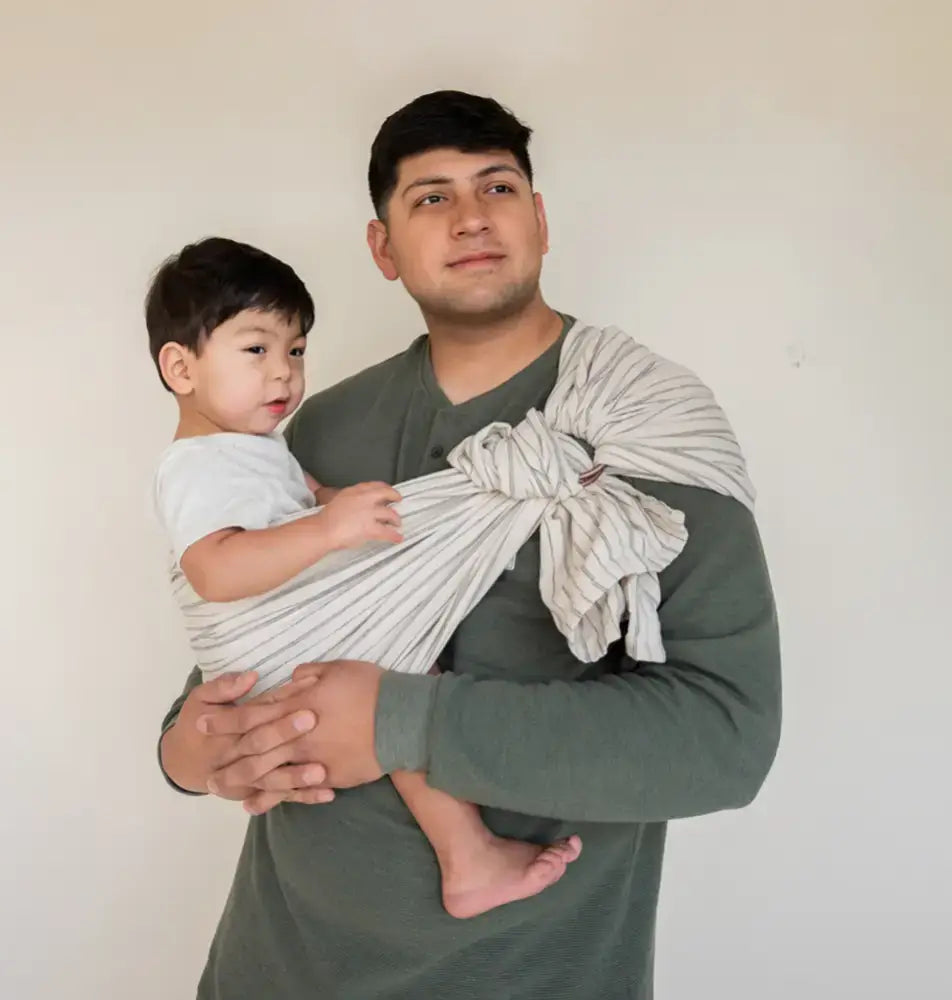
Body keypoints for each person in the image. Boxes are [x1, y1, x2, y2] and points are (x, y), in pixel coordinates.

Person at [158, 90, 781, 999]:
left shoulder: (643, 428)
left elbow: (727, 738)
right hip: (273, 966)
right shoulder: (313, 429)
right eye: (431, 197)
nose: (472, 217)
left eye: (496, 186)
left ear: (537, 218)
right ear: (383, 247)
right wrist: (187, 749)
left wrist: (399, 720)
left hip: (527, 974)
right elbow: (254, 624)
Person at [147, 236, 583, 919]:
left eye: (295, 351)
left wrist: (330, 506)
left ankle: (466, 853)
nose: (284, 374)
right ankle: (467, 856)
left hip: (292, 630)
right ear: (180, 367)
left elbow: (295, 504)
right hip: (263, 646)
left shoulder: (254, 450)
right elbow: (215, 570)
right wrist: (328, 528)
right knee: (399, 688)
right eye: (256, 349)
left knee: (398, 687)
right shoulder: (196, 466)